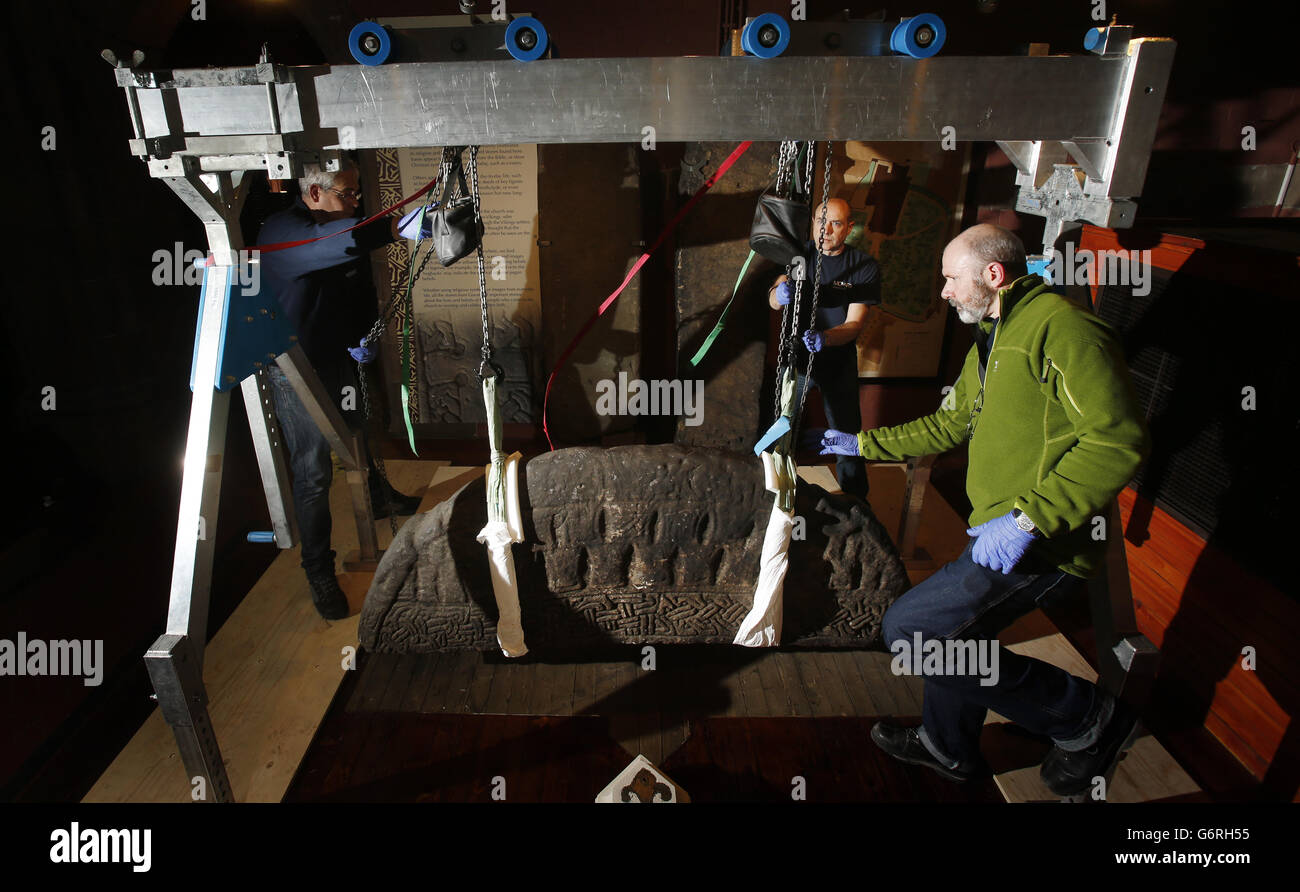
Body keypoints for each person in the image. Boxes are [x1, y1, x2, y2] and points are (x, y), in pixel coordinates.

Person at [816, 223, 1151, 796]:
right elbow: (949, 423)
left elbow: (1116, 441)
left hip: (1043, 540)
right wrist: (860, 445)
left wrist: (1030, 519)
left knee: (912, 629)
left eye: (950, 279)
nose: (943, 292)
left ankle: (1087, 718)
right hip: (997, 528)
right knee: (954, 635)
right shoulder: (994, 337)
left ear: (992, 275)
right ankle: (948, 745)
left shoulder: (1063, 329)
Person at [258, 160, 423, 620]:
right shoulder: (283, 232)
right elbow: (328, 248)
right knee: (313, 472)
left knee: (357, 429)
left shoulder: (328, 224)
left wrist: (360, 337)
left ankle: (375, 495)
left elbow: (347, 286)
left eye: (355, 194)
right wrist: (396, 226)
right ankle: (318, 570)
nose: (356, 203)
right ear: (313, 193)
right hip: (295, 369)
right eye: (347, 195)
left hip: (335, 355)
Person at [767, 198, 879, 499]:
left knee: (846, 434)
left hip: (837, 360)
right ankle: (775, 496)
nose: (825, 229)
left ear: (849, 228)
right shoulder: (798, 254)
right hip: (797, 360)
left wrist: (826, 338)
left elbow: (855, 323)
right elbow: (773, 300)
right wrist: (780, 292)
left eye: (836, 223)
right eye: (821, 221)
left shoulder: (864, 266)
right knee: (783, 431)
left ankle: (857, 502)